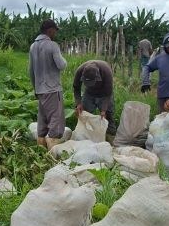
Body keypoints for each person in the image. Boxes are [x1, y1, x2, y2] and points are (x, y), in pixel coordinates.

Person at [29, 19, 67, 150]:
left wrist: (35, 88)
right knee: (55, 123)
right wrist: (64, 59)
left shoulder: (33, 46)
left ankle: (41, 153)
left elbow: (31, 71)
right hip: (52, 89)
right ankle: (52, 155)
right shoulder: (52, 45)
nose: (55, 33)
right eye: (55, 30)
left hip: (40, 90)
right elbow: (61, 65)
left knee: (43, 122)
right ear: (50, 30)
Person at [141, 32, 169, 112]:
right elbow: (146, 67)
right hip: (163, 96)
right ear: (165, 47)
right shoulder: (160, 58)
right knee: (162, 118)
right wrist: (145, 82)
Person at [72, 59, 116, 135]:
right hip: (89, 93)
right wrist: (78, 103)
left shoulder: (106, 71)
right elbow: (76, 88)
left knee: (108, 115)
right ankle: (85, 135)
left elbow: (108, 93)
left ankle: (110, 135)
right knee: (83, 113)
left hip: (104, 93)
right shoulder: (80, 70)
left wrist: (104, 109)